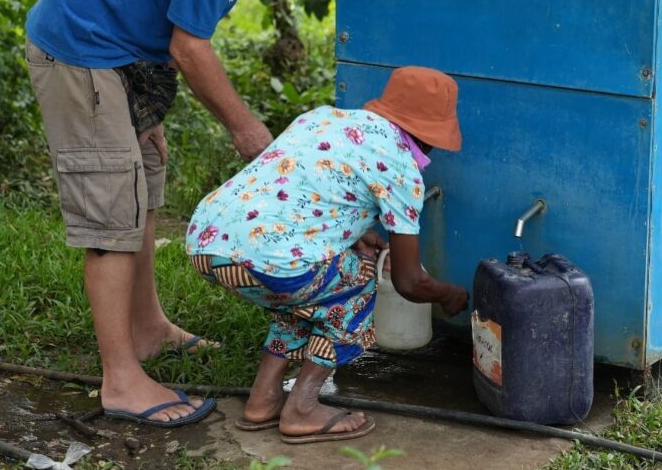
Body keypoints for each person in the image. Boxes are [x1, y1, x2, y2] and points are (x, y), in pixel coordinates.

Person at [24, 0, 360, 427]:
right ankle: (121, 380)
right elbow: (190, 46)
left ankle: (148, 327)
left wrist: (145, 103)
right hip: (82, 54)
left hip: (120, 58)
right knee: (112, 218)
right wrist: (246, 128)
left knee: (143, 189)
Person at [185, 66, 470, 444]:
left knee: (309, 297)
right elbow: (408, 281)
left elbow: (302, 191)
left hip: (206, 243)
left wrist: (352, 232)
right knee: (358, 280)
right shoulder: (400, 167)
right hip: (269, 260)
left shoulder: (322, 118)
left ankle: (262, 400)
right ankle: (302, 409)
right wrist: (449, 295)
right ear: (431, 135)